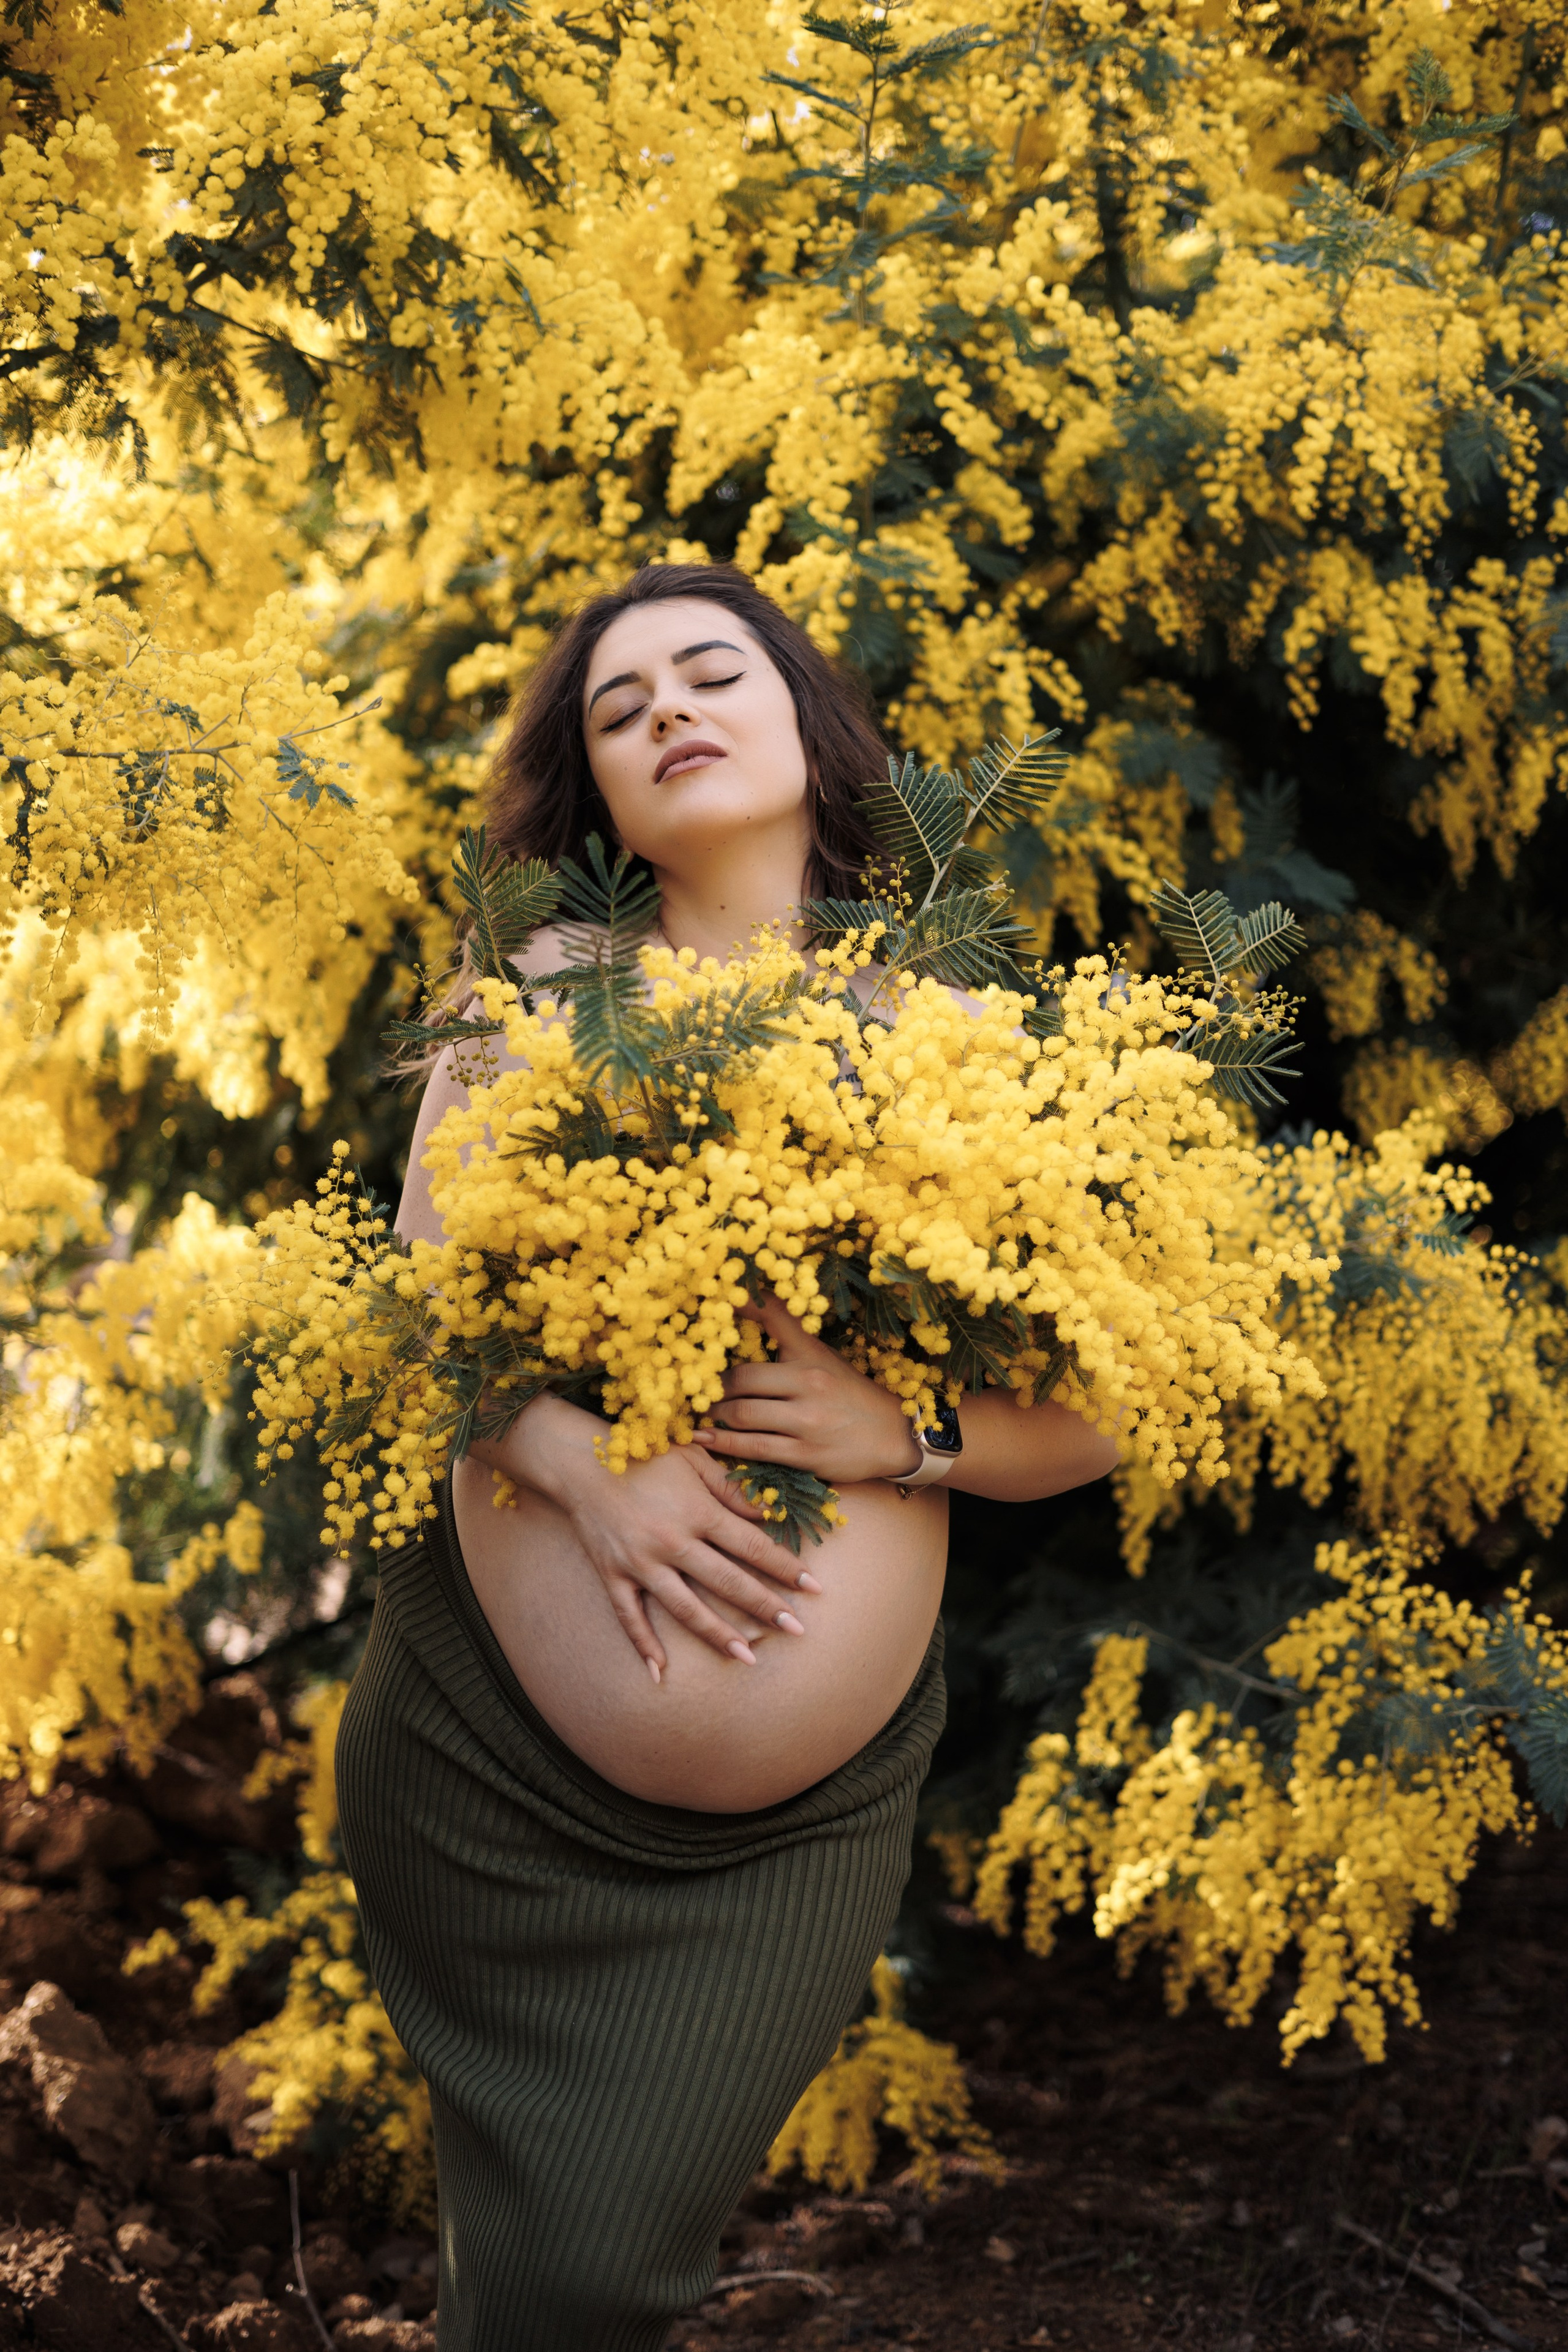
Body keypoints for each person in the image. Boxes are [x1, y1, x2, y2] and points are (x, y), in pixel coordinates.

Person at [336, 562, 1120, 2351]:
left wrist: (903, 1433)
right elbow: (418, 1315)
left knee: (602, 2273)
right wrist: (588, 1471)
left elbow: (1104, 1420)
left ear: (801, 723)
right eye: (619, 713)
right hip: (488, 1765)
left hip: (791, 1840)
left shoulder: (959, 1035)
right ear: (599, 797)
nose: (668, 714)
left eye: (709, 675)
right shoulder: (546, 987)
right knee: (538, 2280)